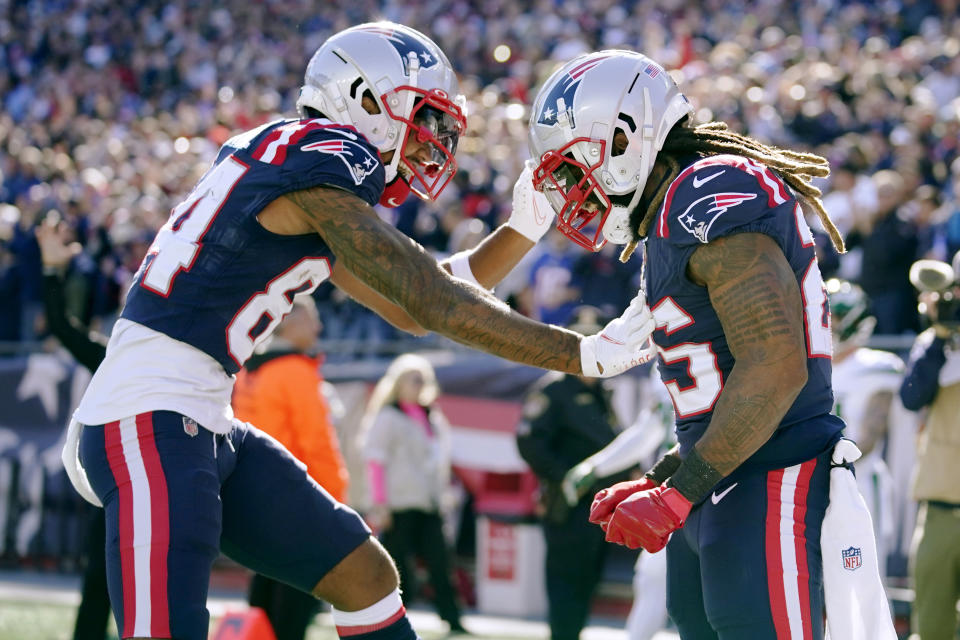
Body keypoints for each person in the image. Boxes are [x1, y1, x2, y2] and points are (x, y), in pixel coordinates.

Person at [60, 24, 656, 640]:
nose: (430, 143)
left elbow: (412, 304)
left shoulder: (296, 173)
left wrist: (523, 232)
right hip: (145, 416)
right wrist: (581, 354)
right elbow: (429, 298)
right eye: (422, 116)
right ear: (366, 99)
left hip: (200, 417)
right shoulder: (318, 160)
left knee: (364, 575)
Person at [527, 50, 893, 638]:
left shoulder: (710, 188)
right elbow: (719, 383)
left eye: (574, 168)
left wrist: (680, 493)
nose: (574, 189)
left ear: (623, 139)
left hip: (772, 477)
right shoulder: (668, 214)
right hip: (722, 483)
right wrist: (669, 477)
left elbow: (774, 369)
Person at [515, 305, 637, 640]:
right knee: (566, 583)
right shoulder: (552, 390)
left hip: (600, 509)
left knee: (587, 582)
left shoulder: (601, 392)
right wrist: (566, 477)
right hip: (568, 506)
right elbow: (530, 444)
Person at [232, 296, 348, 640]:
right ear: (289, 322)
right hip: (298, 497)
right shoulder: (295, 371)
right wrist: (337, 498)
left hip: (255, 493)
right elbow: (316, 443)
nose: (319, 327)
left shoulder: (247, 370)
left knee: (264, 587)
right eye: (311, 318)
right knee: (296, 599)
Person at [36, 220, 112, 640]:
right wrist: (52, 270)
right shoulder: (116, 357)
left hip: (167, 487)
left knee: (163, 598)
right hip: (117, 489)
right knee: (98, 589)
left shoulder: (187, 360)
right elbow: (62, 327)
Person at [359, 354, 466, 634]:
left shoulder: (433, 416)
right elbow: (375, 461)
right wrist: (379, 503)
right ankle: (389, 619)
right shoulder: (388, 416)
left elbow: (440, 461)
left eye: (422, 379)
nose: (419, 385)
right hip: (399, 503)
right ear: (398, 383)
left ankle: (452, 618)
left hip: (429, 503)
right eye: (412, 379)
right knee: (396, 566)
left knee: (441, 563)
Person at [826, 278, 904, 583]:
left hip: (858, 485)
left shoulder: (876, 367)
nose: (828, 326)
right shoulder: (805, 367)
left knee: (862, 582)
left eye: (835, 317)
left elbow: (867, 440)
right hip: (811, 483)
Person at [899, 253, 960, 640]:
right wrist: (940, 334)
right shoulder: (937, 342)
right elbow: (912, 395)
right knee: (933, 626)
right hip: (940, 509)